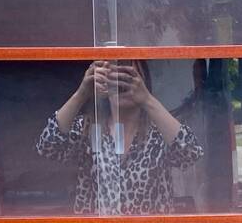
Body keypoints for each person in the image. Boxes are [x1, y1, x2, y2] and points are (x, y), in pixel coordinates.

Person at [36, 60, 203, 215]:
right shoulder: (88, 128)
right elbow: (47, 146)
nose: (121, 85)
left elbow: (191, 152)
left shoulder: (160, 130)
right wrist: (82, 93)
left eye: (128, 79)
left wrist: (147, 99)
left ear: (143, 83)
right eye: (114, 79)